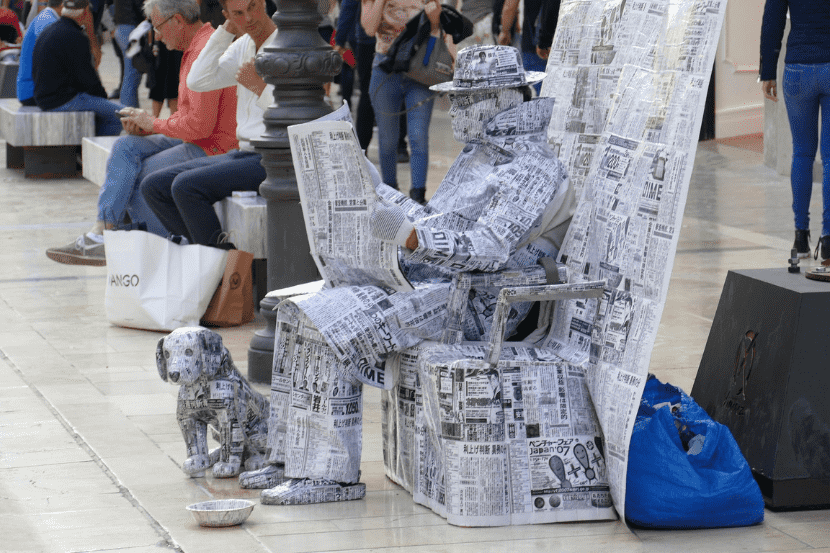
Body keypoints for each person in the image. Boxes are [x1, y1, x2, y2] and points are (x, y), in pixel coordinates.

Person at [241, 45, 575, 504]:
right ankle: (290, 458)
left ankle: (330, 475)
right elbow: (436, 220)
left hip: (472, 301)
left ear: (501, 100)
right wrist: (372, 190)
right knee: (298, 313)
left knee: (325, 324)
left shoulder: (532, 167)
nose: (453, 110)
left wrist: (413, 239)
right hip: (429, 281)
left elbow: (489, 248)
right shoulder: (476, 155)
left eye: (464, 100)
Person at [45, 0, 237, 266]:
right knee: (126, 147)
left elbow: (200, 127)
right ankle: (103, 232)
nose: (155, 36)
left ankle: (159, 245)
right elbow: (192, 118)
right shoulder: (196, 46)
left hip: (212, 146)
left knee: (146, 176)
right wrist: (149, 125)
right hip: (198, 137)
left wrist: (154, 123)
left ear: (177, 21)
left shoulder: (204, 50)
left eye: (157, 28)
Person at [139, 0, 276, 247]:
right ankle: (203, 257)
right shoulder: (243, 44)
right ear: (228, 16)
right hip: (243, 153)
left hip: (274, 159)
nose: (248, 18)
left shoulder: (285, 43)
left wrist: (258, 87)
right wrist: (225, 32)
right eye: (238, 14)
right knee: (154, 186)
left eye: (253, 7)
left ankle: (222, 267)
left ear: (264, 4)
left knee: (185, 187)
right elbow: (199, 80)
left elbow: (299, 114)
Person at [361, 0, 455, 205]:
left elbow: (440, 29)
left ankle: (418, 197)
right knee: (387, 140)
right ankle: (389, 192)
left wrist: (435, 22)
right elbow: (369, 29)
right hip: (385, 69)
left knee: (418, 136)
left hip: (419, 70)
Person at [761, 0, 830, 261]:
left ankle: (800, 238)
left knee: (802, 154)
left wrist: (767, 70)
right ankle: (828, 239)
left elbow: (772, 18)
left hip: (798, 67)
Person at [31, 0, 124, 135]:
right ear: (85, 13)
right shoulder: (75, 36)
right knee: (119, 116)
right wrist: (102, 99)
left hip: (44, 98)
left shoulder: (51, 30)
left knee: (102, 108)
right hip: (62, 100)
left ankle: (83, 148)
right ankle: (91, 151)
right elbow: (88, 80)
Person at [16, 0, 59, 106]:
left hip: (35, 89)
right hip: (33, 92)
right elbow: (49, 61)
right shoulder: (47, 21)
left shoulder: (49, 18)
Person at [112, 0, 144, 107]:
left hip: (123, 26)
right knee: (132, 73)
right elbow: (140, 6)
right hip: (130, 27)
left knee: (130, 73)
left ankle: (130, 112)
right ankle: (128, 114)